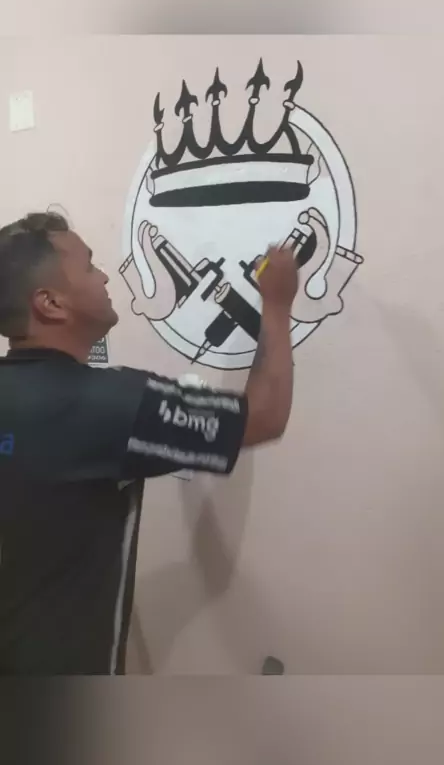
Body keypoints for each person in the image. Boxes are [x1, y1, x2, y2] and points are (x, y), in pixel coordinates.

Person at [0, 212, 298, 675]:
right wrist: (277, 304)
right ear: (51, 303)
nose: (104, 277)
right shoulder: (107, 405)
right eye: (89, 266)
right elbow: (264, 416)